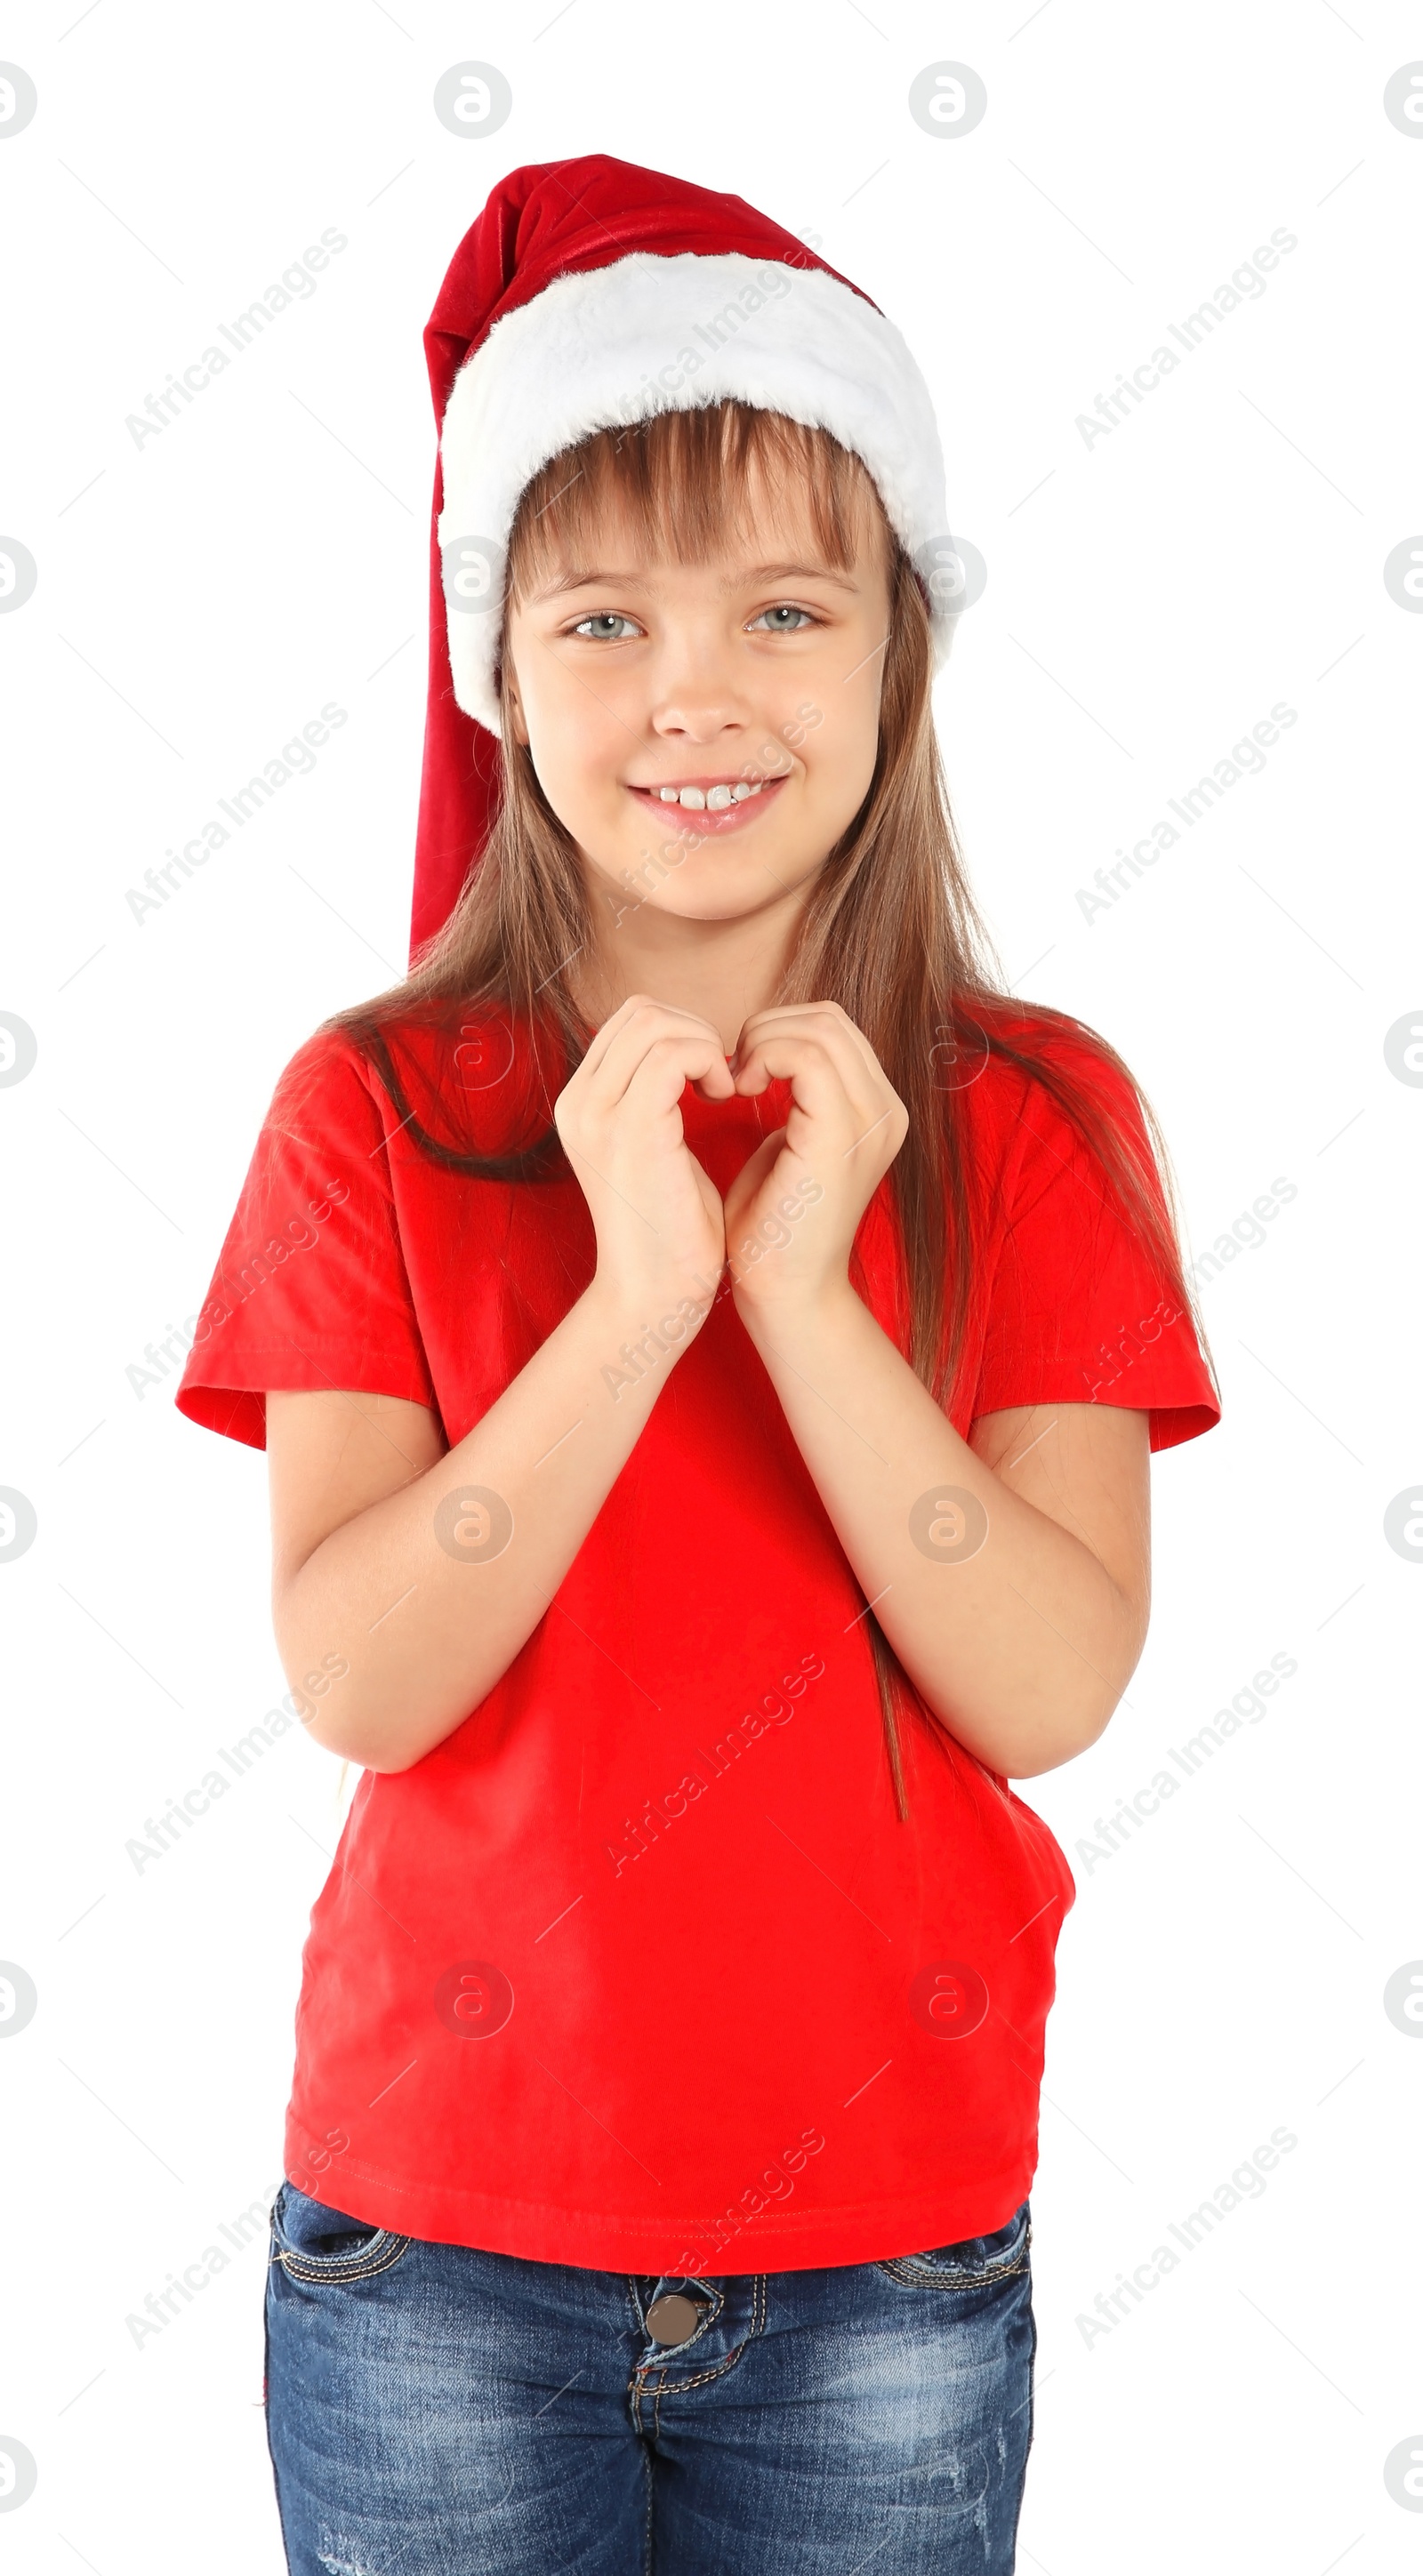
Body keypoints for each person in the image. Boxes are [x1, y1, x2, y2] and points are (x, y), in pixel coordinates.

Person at [176, 156, 1219, 2576]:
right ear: (501, 667)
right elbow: (360, 1671)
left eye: (784, 605)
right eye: (606, 620)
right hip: (437, 2249)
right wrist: (635, 1305)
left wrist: (805, 1305)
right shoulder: (375, 1111)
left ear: (897, 657)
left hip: (886, 2250)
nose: (697, 694)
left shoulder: (1036, 1116)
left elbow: (1053, 1678)